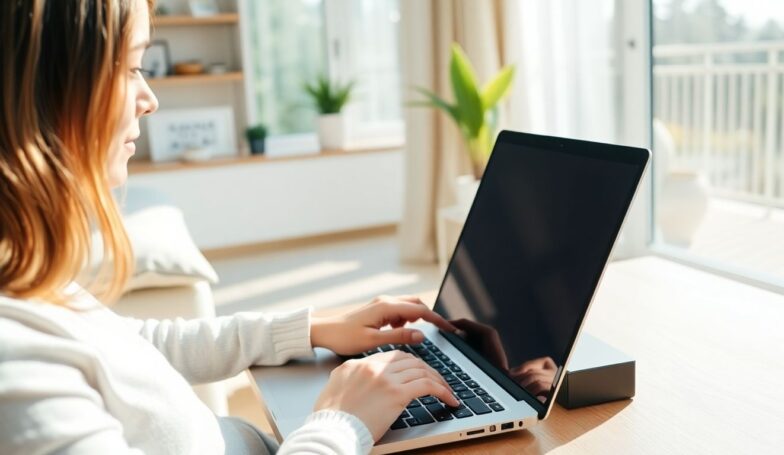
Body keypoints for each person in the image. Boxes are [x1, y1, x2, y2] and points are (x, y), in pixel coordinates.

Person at [0, 1, 459, 453]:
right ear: (46, 87)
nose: (149, 100)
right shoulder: (16, 364)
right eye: (131, 68)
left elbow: (129, 348)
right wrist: (342, 422)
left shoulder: (24, 283)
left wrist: (308, 329)